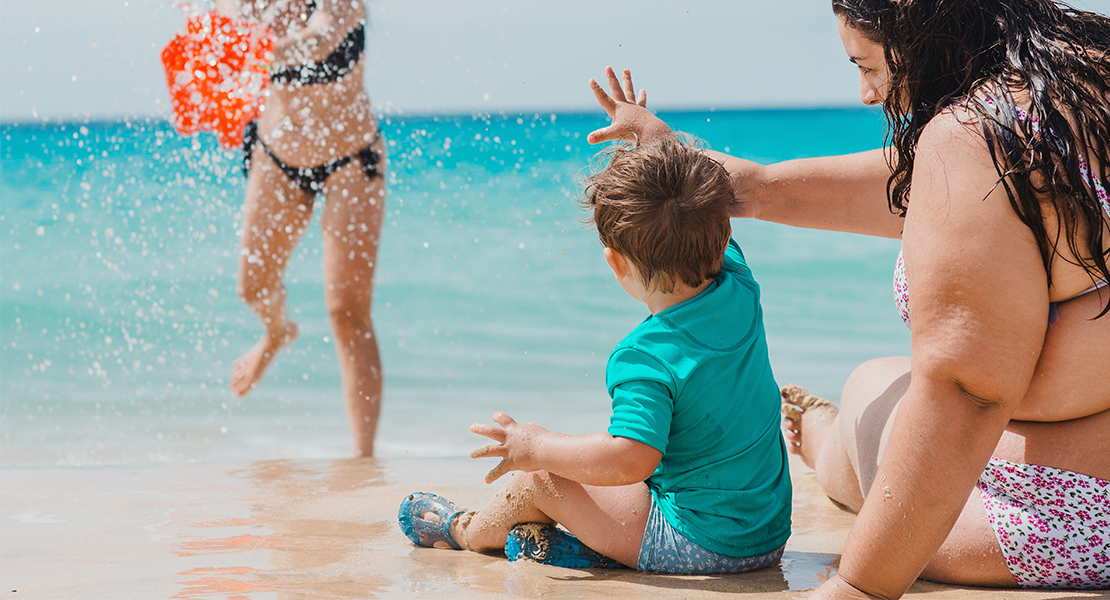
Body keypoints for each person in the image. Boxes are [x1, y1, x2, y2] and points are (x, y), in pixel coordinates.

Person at [585, 0, 1110, 595]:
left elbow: (968, 391)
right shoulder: (1077, 76)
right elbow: (884, 188)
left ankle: (815, 436)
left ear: (918, 33)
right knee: (879, 385)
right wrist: (675, 159)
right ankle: (816, 434)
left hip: (1084, 512)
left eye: (867, 64)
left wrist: (858, 587)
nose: (865, 93)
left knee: (880, 417)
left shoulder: (972, 141)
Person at [396, 136, 792, 574]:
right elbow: (699, 206)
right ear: (725, 236)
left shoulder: (645, 357)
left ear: (615, 262)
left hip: (699, 545)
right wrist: (655, 139)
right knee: (628, 465)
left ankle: (464, 531)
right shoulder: (740, 283)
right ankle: (586, 551)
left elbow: (630, 459)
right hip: (767, 534)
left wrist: (536, 446)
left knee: (540, 482)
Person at [213, 0, 386, 456]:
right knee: (251, 289)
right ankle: (276, 333)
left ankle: (362, 461)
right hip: (277, 157)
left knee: (347, 313)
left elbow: (322, 38)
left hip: (352, 159)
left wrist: (256, 50)